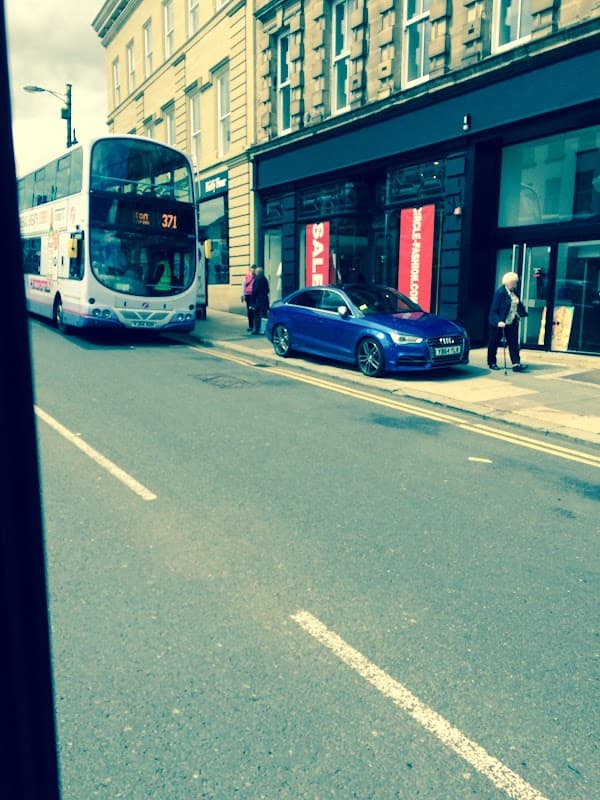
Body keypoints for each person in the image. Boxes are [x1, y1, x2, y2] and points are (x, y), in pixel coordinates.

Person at [487, 271, 528, 372]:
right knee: (494, 343)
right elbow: (493, 310)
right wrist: (498, 321)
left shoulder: (514, 292)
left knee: (513, 343)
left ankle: (516, 363)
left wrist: (521, 314)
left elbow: (517, 304)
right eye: (514, 282)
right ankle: (492, 362)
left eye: (516, 282)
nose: (516, 284)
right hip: (500, 323)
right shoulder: (500, 293)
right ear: (508, 282)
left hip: (511, 322)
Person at [251, 266, 270, 334]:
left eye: (255, 272)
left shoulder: (257, 279)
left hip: (258, 300)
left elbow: (254, 291)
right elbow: (268, 290)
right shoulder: (265, 279)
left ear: (257, 272)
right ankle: (264, 330)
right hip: (265, 299)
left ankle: (256, 329)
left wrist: (252, 301)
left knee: (256, 315)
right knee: (264, 315)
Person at [241, 264, 256, 331]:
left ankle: (255, 325)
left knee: (254, 310)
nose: (253, 270)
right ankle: (251, 325)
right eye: (252, 269)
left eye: (254, 269)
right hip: (248, 295)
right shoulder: (247, 276)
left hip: (254, 295)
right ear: (250, 269)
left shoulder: (256, 276)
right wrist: (243, 295)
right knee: (249, 311)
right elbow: (243, 285)